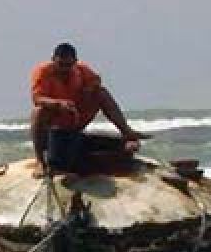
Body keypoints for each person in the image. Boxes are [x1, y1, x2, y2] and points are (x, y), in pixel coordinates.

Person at [30, 42, 149, 175]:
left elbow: (96, 81)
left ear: (75, 61)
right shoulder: (43, 71)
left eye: (68, 65)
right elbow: (37, 99)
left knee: (100, 93)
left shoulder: (81, 69)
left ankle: (126, 132)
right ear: (53, 60)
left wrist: (89, 89)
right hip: (54, 127)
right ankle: (40, 161)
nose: (64, 69)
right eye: (60, 65)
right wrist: (58, 104)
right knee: (39, 111)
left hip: (75, 121)